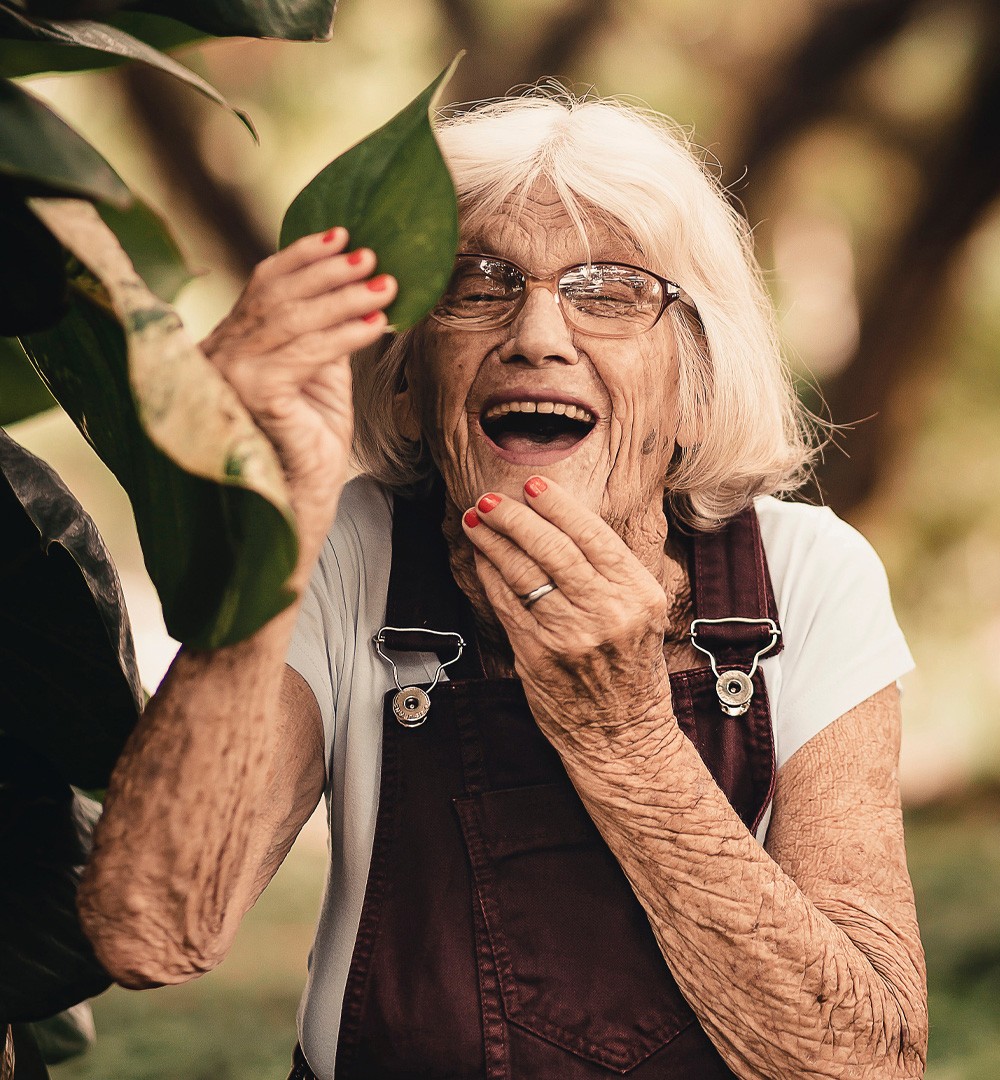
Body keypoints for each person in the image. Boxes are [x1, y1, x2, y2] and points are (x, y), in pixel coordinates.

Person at [77, 93, 928, 1080]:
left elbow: (865, 1063)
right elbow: (146, 934)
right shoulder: (348, 548)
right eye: (476, 287)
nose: (536, 334)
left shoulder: (809, 574)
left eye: (607, 292)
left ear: (695, 379)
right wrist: (270, 519)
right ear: (410, 372)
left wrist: (627, 744)